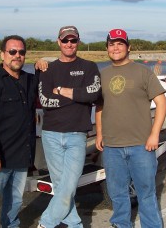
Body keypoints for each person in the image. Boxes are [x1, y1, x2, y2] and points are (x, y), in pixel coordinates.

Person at [95, 28, 166, 228]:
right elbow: (99, 106)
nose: (116, 47)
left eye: (120, 43)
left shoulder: (143, 72)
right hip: (112, 147)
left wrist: (154, 134)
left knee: (146, 193)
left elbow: (162, 103)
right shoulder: (102, 75)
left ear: (128, 47)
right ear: (107, 48)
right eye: (112, 44)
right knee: (117, 193)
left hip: (141, 145)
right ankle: (121, 224)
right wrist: (100, 133)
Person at [37, 25, 101, 228]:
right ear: (58, 42)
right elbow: (45, 100)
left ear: (78, 42)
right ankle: (75, 225)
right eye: (65, 40)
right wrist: (77, 96)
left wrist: (62, 90)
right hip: (51, 135)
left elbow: (93, 95)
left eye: (73, 40)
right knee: (61, 186)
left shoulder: (90, 67)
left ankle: (46, 223)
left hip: (77, 135)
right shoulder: (48, 68)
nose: (69, 44)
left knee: (69, 185)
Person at [0, 35, 39, 228]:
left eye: (21, 52)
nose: (17, 55)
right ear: (3, 54)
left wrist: (43, 64)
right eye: (12, 51)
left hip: (21, 156)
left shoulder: (29, 80)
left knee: (14, 203)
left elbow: (49, 80)